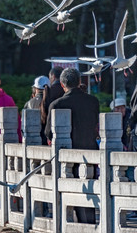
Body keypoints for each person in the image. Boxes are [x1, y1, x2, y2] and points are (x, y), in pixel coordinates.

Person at [44, 68, 99, 224]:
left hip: (67, 157)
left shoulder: (56, 104)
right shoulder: (92, 101)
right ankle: (88, 224)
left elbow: (48, 133)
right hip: (90, 153)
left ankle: (71, 224)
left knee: (70, 193)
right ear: (80, 82)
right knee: (89, 190)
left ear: (62, 84)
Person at [40, 66, 64, 145]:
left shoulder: (49, 90)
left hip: (51, 130)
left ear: (53, 76)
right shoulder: (67, 90)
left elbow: (43, 113)